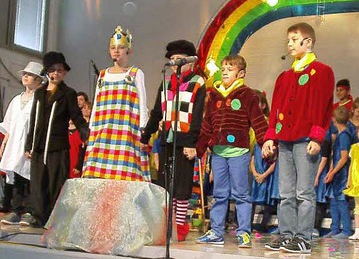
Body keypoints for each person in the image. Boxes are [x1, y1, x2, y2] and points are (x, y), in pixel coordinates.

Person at [262, 22, 334, 254]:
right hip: (285, 139)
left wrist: (316, 136)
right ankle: (286, 234)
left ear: (308, 42)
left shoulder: (321, 71)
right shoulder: (284, 77)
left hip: (305, 139)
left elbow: (322, 106)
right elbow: (275, 110)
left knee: (304, 192)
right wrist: (270, 137)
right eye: (289, 39)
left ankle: (303, 237)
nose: (290, 43)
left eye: (294, 39)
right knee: (286, 193)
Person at [195, 54, 268, 247]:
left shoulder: (248, 95)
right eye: (223, 68)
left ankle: (244, 232)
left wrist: (267, 143)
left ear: (241, 73)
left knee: (241, 195)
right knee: (219, 194)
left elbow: (258, 122)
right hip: (218, 153)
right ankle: (216, 232)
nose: (225, 71)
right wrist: (199, 149)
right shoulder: (214, 96)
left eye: (230, 68)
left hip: (239, 154)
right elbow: (207, 125)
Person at [141, 39, 206, 242]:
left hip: (185, 140)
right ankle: (166, 222)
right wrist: (145, 136)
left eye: (180, 59)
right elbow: (157, 112)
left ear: (190, 62)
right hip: (167, 139)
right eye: (172, 59)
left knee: (182, 184)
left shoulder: (197, 82)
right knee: (165, 183)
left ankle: (180, 223)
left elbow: (196, 115)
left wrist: (191, 142)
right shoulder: (166, 82)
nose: (175, 62)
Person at [25, 52, 89, 227]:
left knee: (55, 182)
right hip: (39, 146)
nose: (56, 74)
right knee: (38, 182)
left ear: (65, 73)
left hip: (57, 146)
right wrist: (29, 144)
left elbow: (76, 117)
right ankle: (39, 216)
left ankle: (54, 218)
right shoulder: (39, 93)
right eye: (52, 71)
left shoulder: (68, 93)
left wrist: (85, 133)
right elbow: (34, 119)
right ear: (47, 72)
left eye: (60, 71)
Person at [82, 26, 150, 181]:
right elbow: (97, 102)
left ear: (129, 50)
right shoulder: (103, 75)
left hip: (126, 131)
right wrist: (91, 128)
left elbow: (142, 103)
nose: (116, 51)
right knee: (99, 173)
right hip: (103, 130)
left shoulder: (135, 74)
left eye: (121, 47)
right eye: (113, 47)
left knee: (124, 173)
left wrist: (143, 130)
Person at [0, 62, 43, 226]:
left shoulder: (39, 100)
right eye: (24, 74)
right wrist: (4, 143)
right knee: (16, 176)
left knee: (30, 177)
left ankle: (30, 211)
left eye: (30, 74)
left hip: (30, 144)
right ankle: (16, 210)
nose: (25, 76)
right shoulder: (16, 100)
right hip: (14, 144)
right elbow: (9, 124)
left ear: (39, 79)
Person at [249, 89, 279, 234]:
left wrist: (263, 175)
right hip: (257, 172)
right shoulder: (256, 146)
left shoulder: (271, 145)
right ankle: (247, 224)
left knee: (267, 198)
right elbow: (253, 158)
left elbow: (273, 161)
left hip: (266, 173)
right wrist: (254, 171)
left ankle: (264, 224)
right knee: (252, 197)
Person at [323, 106, 353, 238]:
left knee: (341, 200)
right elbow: (334, 156)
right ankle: (335, 227)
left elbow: (344, 157)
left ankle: (346, 229)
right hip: (336, 172)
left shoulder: (345, 136)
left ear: (334, 119)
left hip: (341, 173)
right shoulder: (340, 135)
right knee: (334, 200)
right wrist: (330, 170)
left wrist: (334, 172)